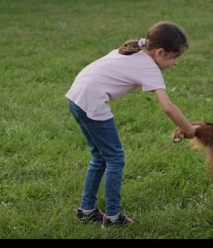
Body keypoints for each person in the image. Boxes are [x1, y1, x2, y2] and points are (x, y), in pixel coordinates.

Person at [66, 21, 199, 227]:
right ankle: (112, 218)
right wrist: (189, 130)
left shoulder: (132, 51)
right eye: (174, 58)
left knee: (100, 157)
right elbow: (167, 107)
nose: (175, 63)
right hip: (92, 103)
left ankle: (86, 210)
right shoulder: (150, 68)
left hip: (76, 98)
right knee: (115, 159)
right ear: (161, 52)